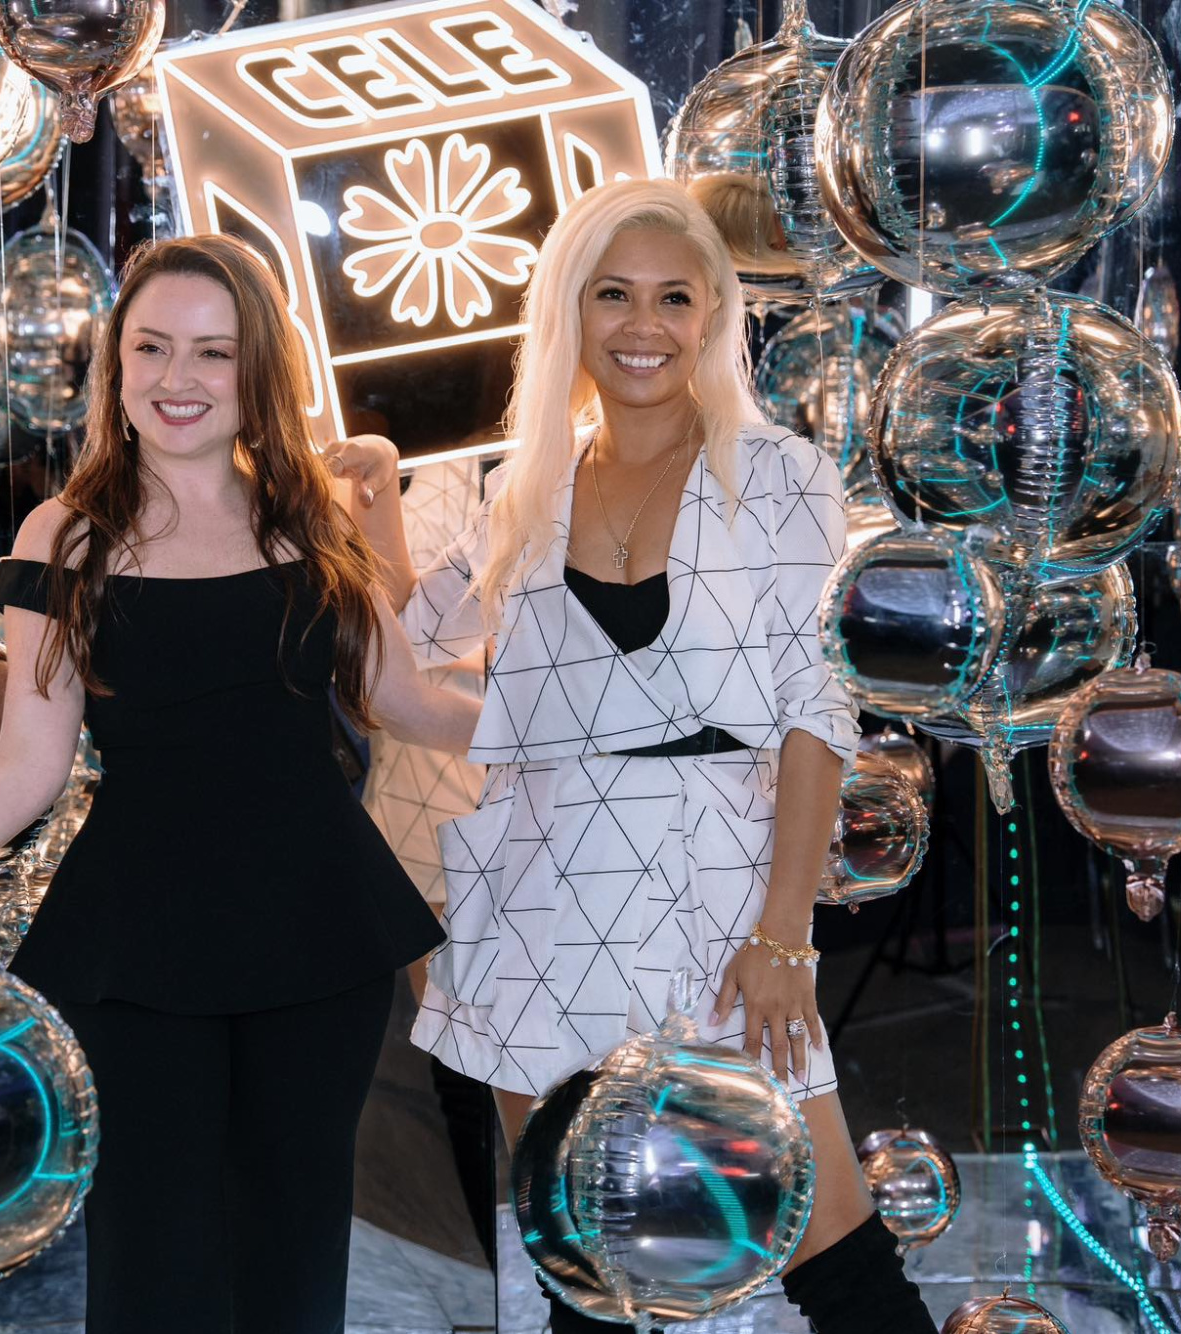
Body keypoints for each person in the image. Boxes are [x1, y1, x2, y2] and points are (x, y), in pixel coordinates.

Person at [328, 178, 937, 1333]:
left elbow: (817, 710)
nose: (641, 324)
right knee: (593, 1277)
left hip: (718, 897)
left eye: (672, 296)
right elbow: (407, 667)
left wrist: (785, 931)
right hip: (540, 898)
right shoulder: (524, 489)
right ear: (570, 309)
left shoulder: (781, 478)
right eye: (612, 294)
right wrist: (374, 523)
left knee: (832, 1248)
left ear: (712, 315)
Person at [0, 233, 482, 1333]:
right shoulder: (66, 535)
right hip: (135, 949)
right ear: (115, 365)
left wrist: (592, 721)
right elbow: (25, 769)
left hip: (315, 936)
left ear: (258, 374)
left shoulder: (308, 518)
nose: (177, 379)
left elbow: (408, 701)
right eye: (151, 347)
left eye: (211, 352)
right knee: (151, 1271)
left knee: (291, 1264)